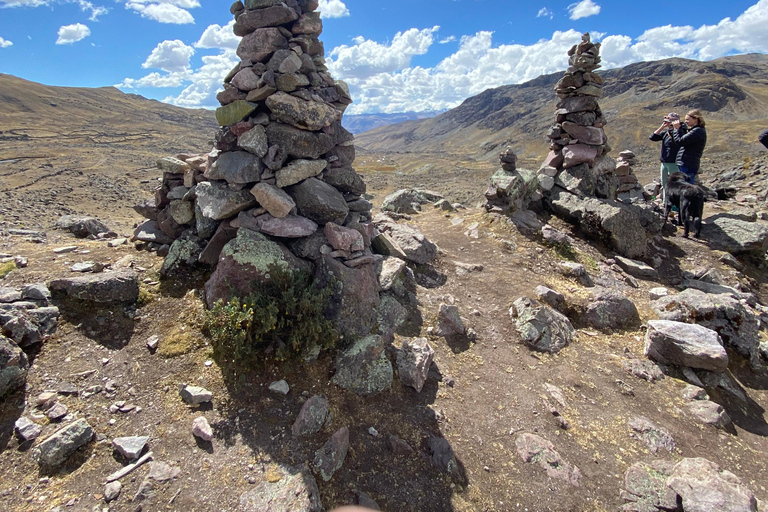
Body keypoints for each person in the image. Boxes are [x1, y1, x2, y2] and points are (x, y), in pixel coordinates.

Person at [649, 112, 685, 203]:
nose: (668, 123)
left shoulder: (680, 131)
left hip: (674, 163)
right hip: (664, 162)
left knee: (674, 184)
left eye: (670, 121)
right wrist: (662, 126)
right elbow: (652, 137)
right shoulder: (666, 132)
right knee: (665, 184)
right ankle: (666, 203)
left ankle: (675, 205)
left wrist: (677, 126)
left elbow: (680, 139)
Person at [671, 109, 707, 184]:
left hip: (688, 163)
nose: (686, 121)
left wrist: (676, 129)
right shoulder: (695, 130)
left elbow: (681, 141)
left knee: (687, 185)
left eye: (688, 119)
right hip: (687, 162)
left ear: (696, 119)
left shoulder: (697, 131)